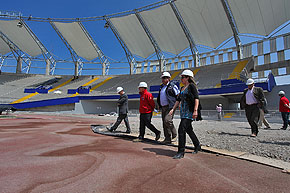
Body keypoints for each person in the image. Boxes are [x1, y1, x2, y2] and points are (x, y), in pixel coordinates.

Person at [169, 70, 201, 159]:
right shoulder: (182, 88)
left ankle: (180, 151)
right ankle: (197, 145)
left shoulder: (192, 86)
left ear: (188, 77)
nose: (181, 79)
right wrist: (173, 109)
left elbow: (196, 98)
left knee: (181, 130)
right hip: (183, 112)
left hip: (189, 112)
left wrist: (195, 110)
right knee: (189, 130)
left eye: (183, 77)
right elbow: (178, 100)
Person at [157, 72, 179, 144]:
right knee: (164, 123)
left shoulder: (172, 86)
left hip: (170, 106)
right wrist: (159, 105)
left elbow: (178, 95)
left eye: (164, 78)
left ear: (169, 78)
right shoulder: (161, 87)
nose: (163, 79)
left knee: (167, 120)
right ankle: (167, 138)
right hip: (163, 107)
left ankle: (174, 135)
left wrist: (178, 104)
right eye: (162, 78)